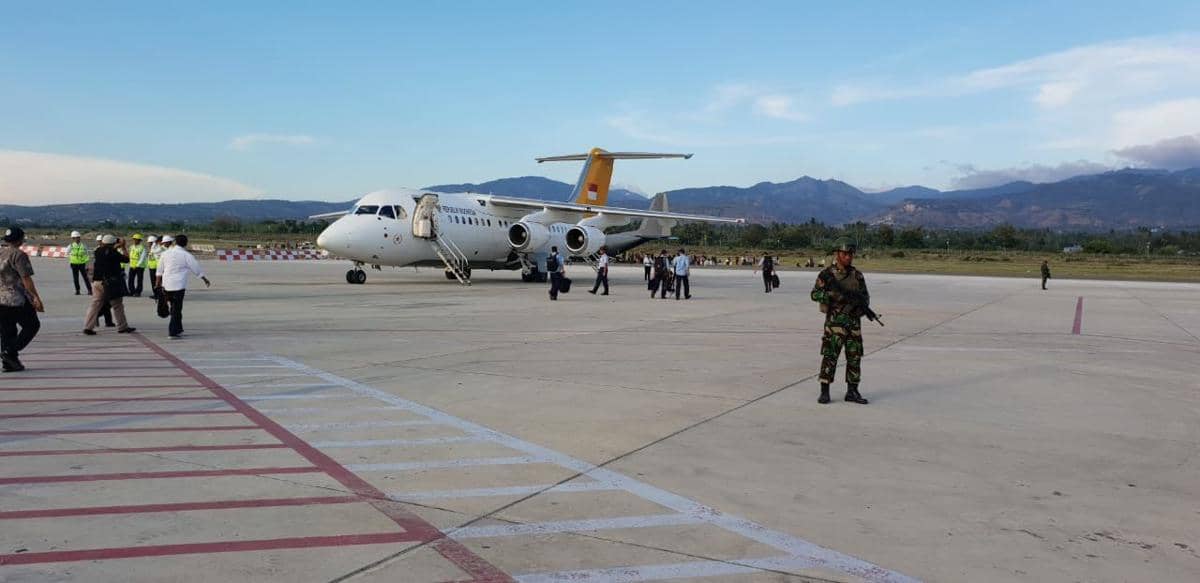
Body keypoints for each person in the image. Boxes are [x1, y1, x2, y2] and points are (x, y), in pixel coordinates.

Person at [810, 239, 869, 405]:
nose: (848, 257)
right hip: (835, 324)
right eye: (845, 254)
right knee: (830, 355)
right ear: (838, 254)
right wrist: (832, 296)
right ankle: (825, 390)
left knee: (855, 357)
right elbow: (814, 294)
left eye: (850, 254)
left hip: (853, 324)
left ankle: (852, 391)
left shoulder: (857, 275)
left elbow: (865, 298)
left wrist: (859, 308)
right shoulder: (827, 275)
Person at [0, 227, 44, 372]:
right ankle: (10, 351)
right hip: (16, 299)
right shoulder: (19, 255)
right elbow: (26, 279)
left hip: (1, 299)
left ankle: (9, 363)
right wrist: (35, 298)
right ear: (20, 239)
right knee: (32, 325)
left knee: (7, 330)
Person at [156, 234, 210, 338]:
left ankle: (178, 329)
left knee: (174, 307)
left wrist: (157, 283)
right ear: (185, 243)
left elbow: (159, 270)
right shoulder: (186, 255)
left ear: (175, 242)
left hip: (166, 285)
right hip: (178, 286)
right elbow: (196, 268)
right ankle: (172, 332)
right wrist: (204, 279)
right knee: (176, 308)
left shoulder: (165, 253)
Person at [84, 235, 136, 335]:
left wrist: (116, 246)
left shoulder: (98, 251)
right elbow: (126, 259)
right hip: (110, 283)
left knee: (95, 305)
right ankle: (122, 327)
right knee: (117, 305)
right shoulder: (113, 252)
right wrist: (123, 247)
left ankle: (88, 327)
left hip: (97, 282)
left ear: (103, 243)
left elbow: (107, 251)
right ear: (113, 243)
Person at [67, 230, 92, 295]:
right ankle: (77, 290)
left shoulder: (83, 245)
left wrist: (87, 263)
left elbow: (87, 253)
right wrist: (71, 259)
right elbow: (67, 253)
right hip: (74, 264)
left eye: (78, 237)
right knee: (76, 278)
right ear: (73, 238)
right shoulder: (71, 246)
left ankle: (90, 290)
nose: (77, 239)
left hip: (82, 264)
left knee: (86, 278)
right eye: (75, 237)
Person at [146, 235, 162, 300]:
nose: (148, 244)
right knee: (153, 282)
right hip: (151, 267)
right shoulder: (152, 249)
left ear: (153, 242)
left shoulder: (157, 248)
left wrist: (154, 244)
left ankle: (159, 295)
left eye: (149, 243)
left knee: (158, 282)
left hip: (157, 268)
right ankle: (155, 294)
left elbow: (155, 252)